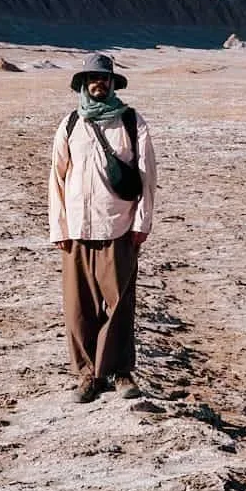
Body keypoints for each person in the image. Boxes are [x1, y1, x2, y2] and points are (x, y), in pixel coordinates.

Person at [48, 52, 158, 403]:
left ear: (112, 83)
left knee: (119, 304)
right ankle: (87, 375)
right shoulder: (70, 124)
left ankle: (120, 372)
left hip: (118, 225)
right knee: (78, 307)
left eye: (104, 78)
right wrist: (59, 228)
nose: (98, 83)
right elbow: (57, 178)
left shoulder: (131, 122)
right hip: (78, 229)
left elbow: (147, 176)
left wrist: (141, 222)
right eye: (92, 78)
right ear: (82, 84)